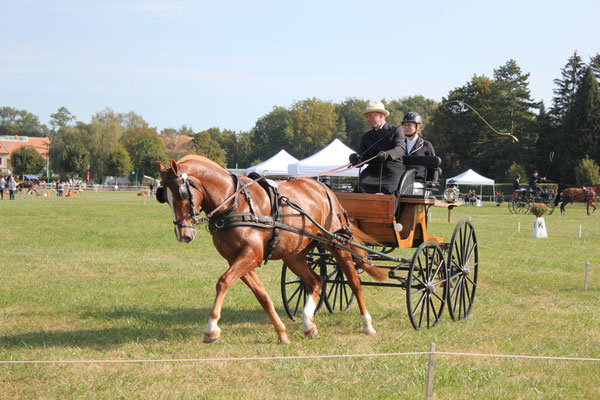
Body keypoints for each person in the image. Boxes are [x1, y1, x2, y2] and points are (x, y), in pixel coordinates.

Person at [348, 101, 405, 194]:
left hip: (392, 169)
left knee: (390, 189)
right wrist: (356, 158)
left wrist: (387, 154)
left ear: (381, 115)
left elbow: (400, 149)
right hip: (372, 171)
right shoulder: (366, 136)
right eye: (367, 117)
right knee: (361, 184)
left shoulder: (395, 130)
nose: (368, 119)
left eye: (370, 116)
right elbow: (362, 156)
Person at [402, 111, 435, 195]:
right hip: (401, 182)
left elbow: (434, 168)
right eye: (405, 125)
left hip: (419, 183)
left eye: (409, 125)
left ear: (418, 126)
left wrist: (431, 184)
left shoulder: (426, 145)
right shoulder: (400, 145)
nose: (406, 127)